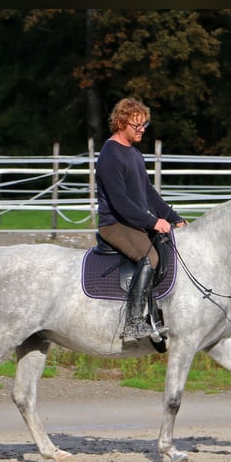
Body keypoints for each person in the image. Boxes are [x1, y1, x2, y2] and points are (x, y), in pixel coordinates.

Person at [96, 98, 187, 340]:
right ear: (119, 123)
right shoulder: (110, 155)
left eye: (144, 125)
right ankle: (133, 322)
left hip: (133, 222)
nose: (142, 130)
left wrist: (173, 217)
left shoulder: (134, 153)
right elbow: (120, 203)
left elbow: (147, 193)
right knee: (151, 257)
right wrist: (152, 222)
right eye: (137, 126)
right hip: (115, 224)